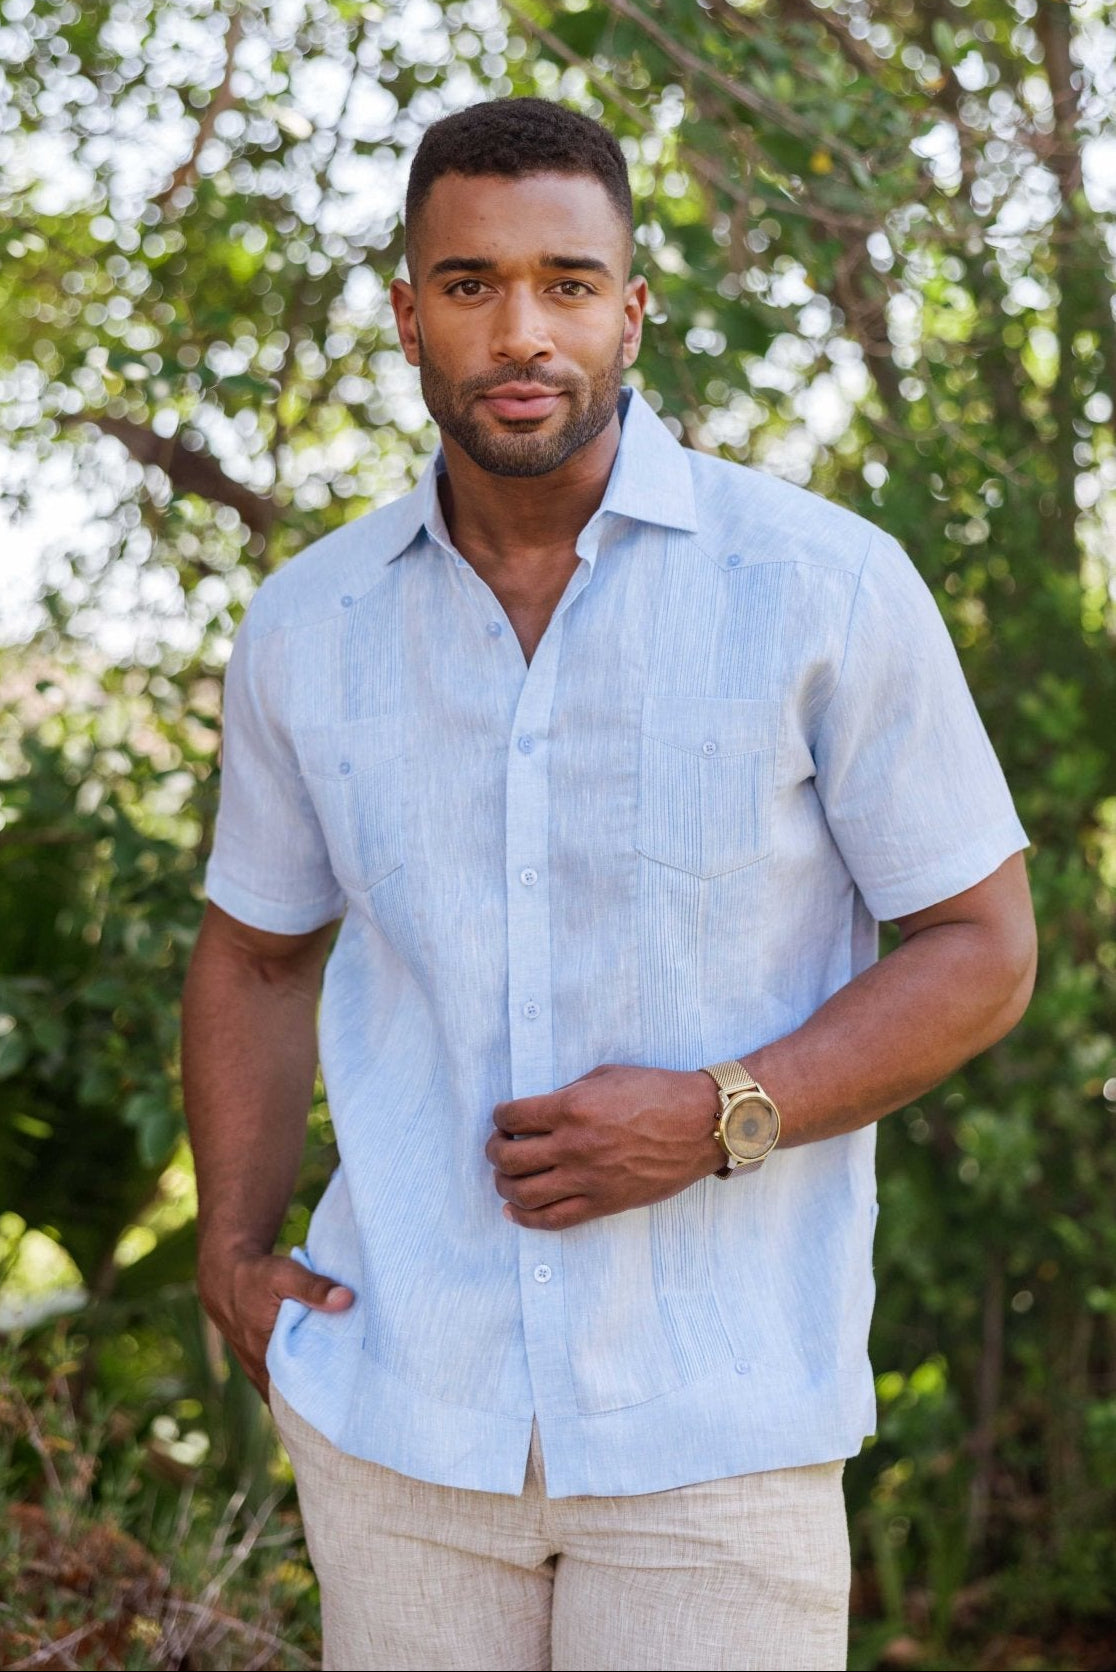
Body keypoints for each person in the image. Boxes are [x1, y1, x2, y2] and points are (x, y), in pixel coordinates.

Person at [182, 96, 1036, 1672]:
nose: (522, 330)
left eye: (568, 283)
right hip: (399, 1421)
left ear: (633, 310)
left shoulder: (820, 587)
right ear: (407, 316)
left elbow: (983, 947)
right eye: (470, 283)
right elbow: (252, 952)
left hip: (716, 1430)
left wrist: (724, 1110)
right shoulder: (309, 627)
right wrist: (231, 1249)